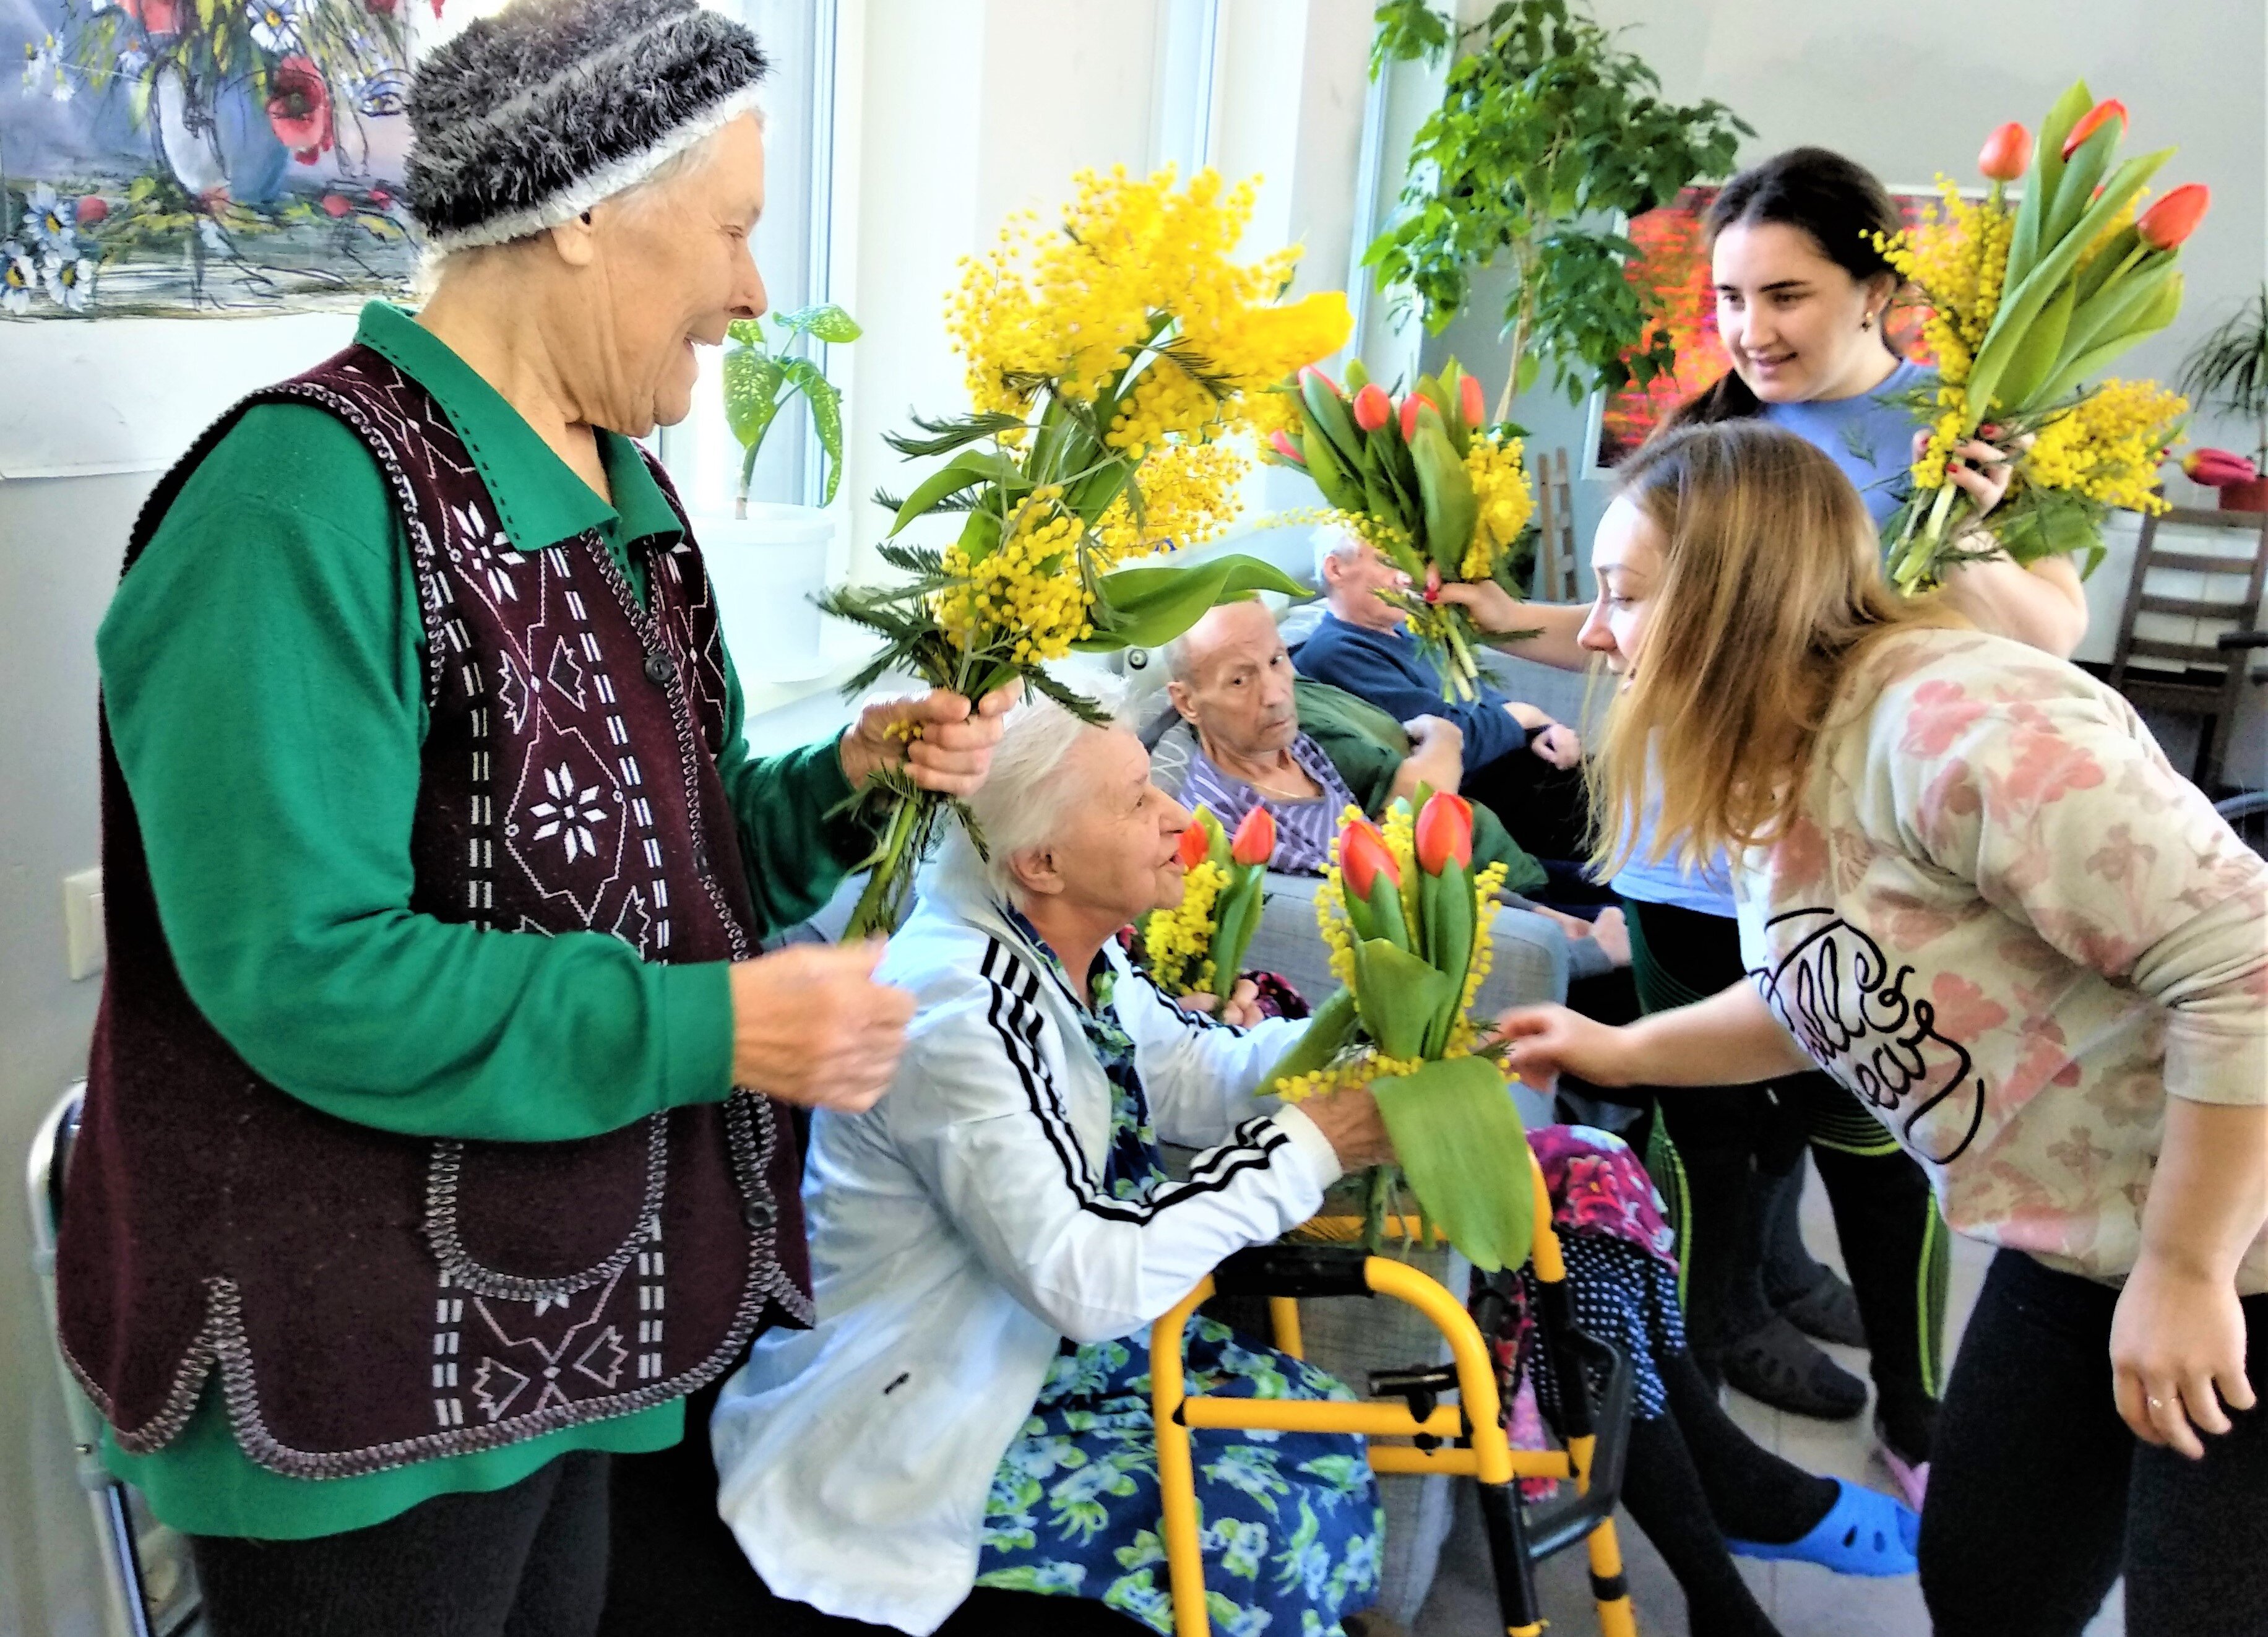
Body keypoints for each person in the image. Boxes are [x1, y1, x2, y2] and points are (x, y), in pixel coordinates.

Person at [56, 2, 1011, 1631]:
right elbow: (305, 968)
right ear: (581, 212)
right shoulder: (299, 499)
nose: (754, 291)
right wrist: (721, 1027)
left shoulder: (624, 497)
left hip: (563, 1310)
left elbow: (676, 865)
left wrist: (847, 791)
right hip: (357, 1365)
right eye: (730, 231)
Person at [1493, 420, 2267, 1637]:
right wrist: (1617, 1049)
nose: (1593, 634)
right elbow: (1823, 989)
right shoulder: (1784, 764)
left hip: (2233, 1233)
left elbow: (2247, 965)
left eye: (1621, 595)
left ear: (1735, 599)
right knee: (1984, 1580)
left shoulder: (1953, 721)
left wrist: (2182, 1267)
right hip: (2080, 1240)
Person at [1436, 147, 2097, 1495]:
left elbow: (2051, 641)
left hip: (1852, 859)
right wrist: (1508, 620)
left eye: (1784, 292)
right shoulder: (1703, 435)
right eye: (1728, 296)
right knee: (1707, 1134)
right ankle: (1707, 1373)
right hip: (1686, 851)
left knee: (1872, 1136)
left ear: (1872, 287)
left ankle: (1918, 1420)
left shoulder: (1961, 437)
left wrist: (1962, 528)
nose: (1750, 328)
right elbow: (1638, 631)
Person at [710, 695, 1397, 1636]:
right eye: (1134, 800)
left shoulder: (1059, 952)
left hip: (1053, 1367)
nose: (1176, 815)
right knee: (1258, 1523)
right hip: (932, 1414)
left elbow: (1190, 1068)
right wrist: (1314, 1142)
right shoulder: (958, 1007)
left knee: (1313, 1433)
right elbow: (1084, 1276)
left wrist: (1356, 1063)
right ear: (1041, 862)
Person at [1153, 598, 1629, 977]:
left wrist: (1542, 915)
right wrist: (1571, 943)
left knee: (1651, 903)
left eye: (1276, 660)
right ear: (1187, 702)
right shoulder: (1219, 822)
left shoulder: (1295, 747)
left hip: (1486, 895)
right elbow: (1384, 915)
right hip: (1468, 959)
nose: (1277, 693)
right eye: (1239, 679)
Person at [1296, 530, 1599, 892]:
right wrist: (1525, 717)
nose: (1406, 576)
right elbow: (1453, 740)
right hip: (1494, 800)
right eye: (1387, 561)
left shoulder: (1408, 631)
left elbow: (1480, 699)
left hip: (1532, 772)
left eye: (1408, 562)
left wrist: (1542, 730)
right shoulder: (1336, 654)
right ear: (1336, 569)